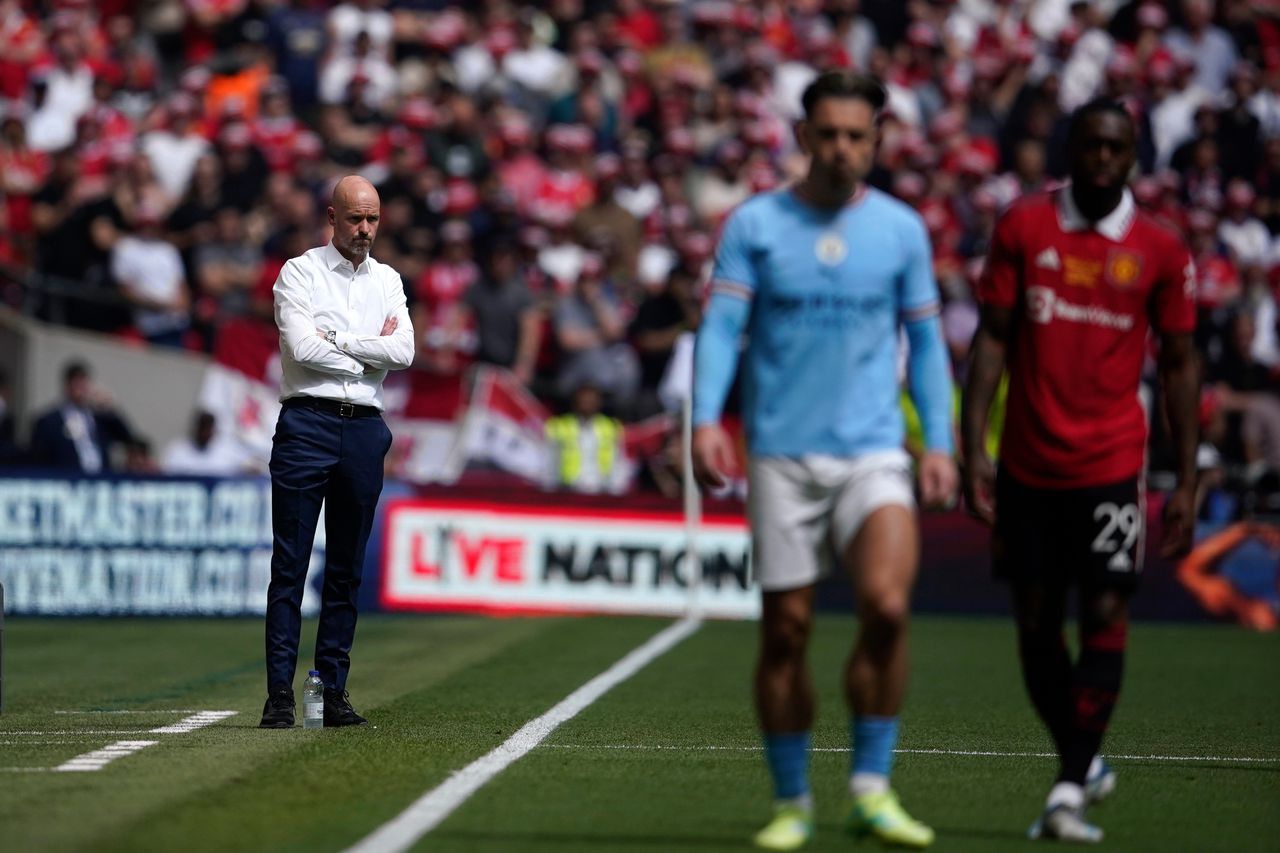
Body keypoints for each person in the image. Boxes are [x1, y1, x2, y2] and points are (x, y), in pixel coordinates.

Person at [692, 71, 957, 851]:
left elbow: (931, 342)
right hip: (780, 456)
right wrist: (708, 419)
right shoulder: (754, 224)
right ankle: (793, 801)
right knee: (788, 632)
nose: (843, 148)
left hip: (874, 450)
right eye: (830, 134)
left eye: (858, 135)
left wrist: (938, 441)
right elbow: (719, 329)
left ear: (877, 141)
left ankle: (872, 787)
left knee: (887, 605)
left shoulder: (903, 230)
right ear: (803, 137)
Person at [961, 98, 1200, 843]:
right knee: (1035, 625)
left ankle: (1067, 784)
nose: (1101, 158)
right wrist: (974, 447)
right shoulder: (1023, 226)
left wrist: (1186, 475)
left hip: (1110, 462)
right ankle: (1083, 755)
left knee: (1102, 612)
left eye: (1115, 147)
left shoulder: (1161, 249)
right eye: (1090, 144)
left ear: (1134, 157)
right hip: (1029, 463)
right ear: (1072, 149)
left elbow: (1183, 364)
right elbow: (992, 341)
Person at [260, 175, 414, 729]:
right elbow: (301, 348)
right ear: (332, 216)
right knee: (291, 565)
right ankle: (280, 694)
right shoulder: (300, 271)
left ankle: (331, 691)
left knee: (346, 570)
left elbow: (406, 350)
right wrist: (370, 353)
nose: (365, 230)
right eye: (355, 219)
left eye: (372, 219)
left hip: (365, 429)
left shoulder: (390, 279)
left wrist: (339, 342)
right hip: (307, 423)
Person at [29, 360, 135, 473]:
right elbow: (39, 459)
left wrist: (109, 408)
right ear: (67, 386)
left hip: (101, 481)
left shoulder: (101, 417)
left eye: (83, 384)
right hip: (68, 480)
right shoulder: (49, 421)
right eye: (76, 384)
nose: (80, 389)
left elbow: (128, 439)